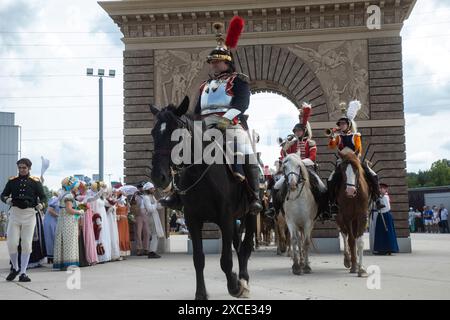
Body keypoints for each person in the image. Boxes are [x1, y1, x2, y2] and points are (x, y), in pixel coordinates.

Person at [160, 16, 263, 215]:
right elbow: (197, 110)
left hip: (230, 123)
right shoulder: (205, 86)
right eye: (212, 62)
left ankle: (254, 197)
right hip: (204, 124)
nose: (213, 65)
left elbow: (242, 104)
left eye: (217, 61)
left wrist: (225, 120)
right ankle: (177, 194)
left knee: (245, 151)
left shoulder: (239, 81)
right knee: (180, 150)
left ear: (227, 63)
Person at [327, 101, 385, 215]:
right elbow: (331, 146)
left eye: (343, 124)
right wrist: (332, 137)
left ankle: (377, 198)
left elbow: (359, 149)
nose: (341, 126)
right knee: (330, 179)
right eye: (340, 124)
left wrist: (352, 156)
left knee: (373, 174)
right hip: (342, 161)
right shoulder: (338, 137)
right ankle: (332, 202)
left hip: (354, 160)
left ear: (348, 125)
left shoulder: (356, 136)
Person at [1, 158, 47, 282]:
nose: (21, 170)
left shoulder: (35, 182)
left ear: (29, 168)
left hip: (29, 214)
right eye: (20, 167)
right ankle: (15, 268)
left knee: (26, 244)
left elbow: (43, 197)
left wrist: (41, 205)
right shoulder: (12, 181)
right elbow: (3, 195)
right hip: (15, 213)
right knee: (12, 243)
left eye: (24, 168)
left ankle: (23, 273)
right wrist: (8, 200)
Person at [53, 177, 85, 271]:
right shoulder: (69, 196)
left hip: (62, 220)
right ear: (71, 186)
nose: (76, 188)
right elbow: (69, 210)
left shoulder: (63, 195)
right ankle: (69, 263)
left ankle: (62, 263)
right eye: (76, 186)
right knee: (69, 242)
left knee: (63, 241)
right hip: (69, 222)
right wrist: (80, 212)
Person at [370, 183, 399, 255]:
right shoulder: (379, 197)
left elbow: (387, 208)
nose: (380, 189)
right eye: (379, 188)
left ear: (385, 189)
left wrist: (380, 207)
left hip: (385, 216)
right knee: (380, 233)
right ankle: (381, 249)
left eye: (381, 188)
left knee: (387, 232)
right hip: (380, 215)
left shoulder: (385, 197)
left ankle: (390, 249)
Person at [143, 182, 165, 259]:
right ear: (148, 189)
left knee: (157, 235)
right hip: (151, 217)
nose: (154, 189)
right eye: (152, 188)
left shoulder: (152, 196)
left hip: (155, 216)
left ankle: (153, 251)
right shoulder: (146, 198)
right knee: (155, 235)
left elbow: (157, 207)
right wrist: (156, 202)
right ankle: (151, 252)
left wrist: (162, 202)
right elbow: (150, 209)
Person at [131, 182, 150, 256]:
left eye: (142, 187)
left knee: (147, 232)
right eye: (139, 187)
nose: (141, 188)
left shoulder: (147, 195)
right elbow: (132, 205)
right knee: (138, 233)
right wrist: (134, 198)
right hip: (138, 215)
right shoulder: (135, 195)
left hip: (145, 214)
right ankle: (139, 249)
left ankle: (146, 249)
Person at [43, 193, 59, 264]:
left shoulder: (56, 199)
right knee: (51, 238)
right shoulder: (55, 199)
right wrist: (59, 216)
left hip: (52, 220)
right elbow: (50, 210)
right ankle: (51, 257)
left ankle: (50, 257)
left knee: (51, 238)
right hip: (50, 221)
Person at [115, 191, 131, 257]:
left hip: (125, 222)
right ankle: (119, 253)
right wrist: (119, 216)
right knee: (120, 236)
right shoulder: (115, 204)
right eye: (121, 195)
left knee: (125, 236)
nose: (123, 197)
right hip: (119, 222)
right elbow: (113, 214)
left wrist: (128, 204)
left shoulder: (124, 204)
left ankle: (124, 253)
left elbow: (127, 212)